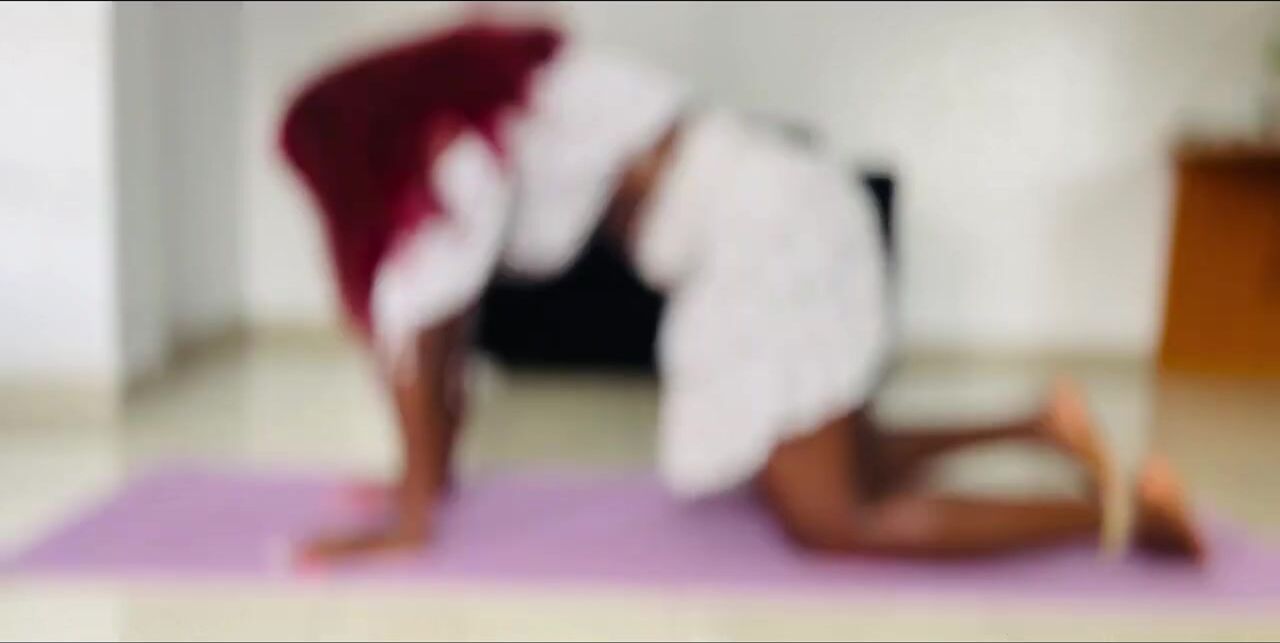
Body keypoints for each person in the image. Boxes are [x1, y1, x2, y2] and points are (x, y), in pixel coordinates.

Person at [280, 19, 1202, 563]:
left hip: (770, 232)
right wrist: (425, 481)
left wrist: (413, 514)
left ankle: (1127, 517)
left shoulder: (452, 145)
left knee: (832, 518)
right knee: (821, 460)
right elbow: (437, 329)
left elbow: (422, 320)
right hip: (771, 213)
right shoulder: (495, 97)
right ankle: (1039, 426)